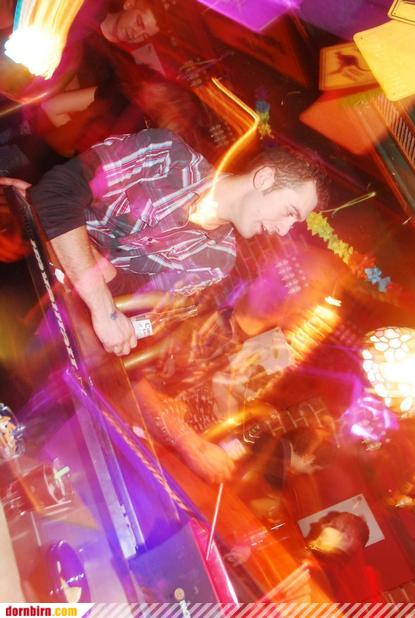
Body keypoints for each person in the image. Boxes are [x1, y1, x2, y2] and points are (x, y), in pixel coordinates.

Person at [0, 128, 327, 356]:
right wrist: (103, 306)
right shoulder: (167, 155)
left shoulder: (217, 261)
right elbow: (57, 193)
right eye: (290, 212)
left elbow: (130, 295)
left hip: (59, 311)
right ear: (265, 178)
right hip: (20, 251)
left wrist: (60, 222)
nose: (284, 230)